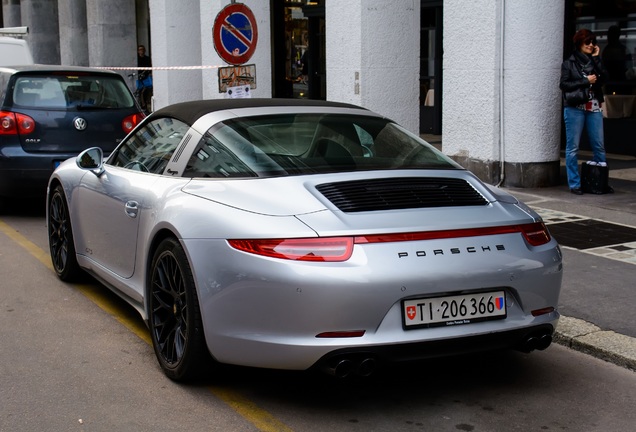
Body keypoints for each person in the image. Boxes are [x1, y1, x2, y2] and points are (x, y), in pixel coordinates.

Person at [559, 29, 608, 195]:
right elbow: (564, 85)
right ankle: (575, 184)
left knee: (599, 147)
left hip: (594, 108)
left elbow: (605, 78)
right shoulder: (569, 63)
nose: (591, 45)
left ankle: (600, 182)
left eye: (593, 42)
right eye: (587, 42)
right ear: (579, 43)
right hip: (575, 109)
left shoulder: (594, 61)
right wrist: (585, 80)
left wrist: (597, 59)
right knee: (572, 148)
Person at [602, 25, 631, 94]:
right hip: (613, 81)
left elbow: (629, 66)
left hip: (619, 81)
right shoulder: (622, 49)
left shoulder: (607, 50)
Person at [136, 45, 153, 111]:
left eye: (142, 49)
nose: (141, 51)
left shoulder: (147, 59)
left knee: (148, 90)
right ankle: (142, 105)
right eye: (140, 50)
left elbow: (149, 67)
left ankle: (147, 104)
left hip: (146, 76)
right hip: (139, 77)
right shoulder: (137, 59)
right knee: (140, 91)